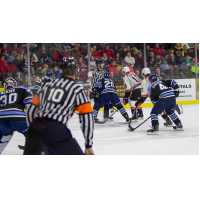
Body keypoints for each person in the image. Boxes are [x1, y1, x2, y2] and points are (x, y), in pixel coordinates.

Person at [23, 60, 94, 155]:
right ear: (75, 73)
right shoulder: (76, 89)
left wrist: (32, 131)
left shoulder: (46, 86)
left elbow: (30, 110)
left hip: (34, 129)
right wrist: (88, 145)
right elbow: (87, 117)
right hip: (55, 129)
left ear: (61, 72)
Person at [0, 77, 33, 154]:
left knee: (5, 136)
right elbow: (30, 106)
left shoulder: (0, 93)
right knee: (34, 132)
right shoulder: (22, 88)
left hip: (1, 120)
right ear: (15, 84)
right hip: (17, 118)